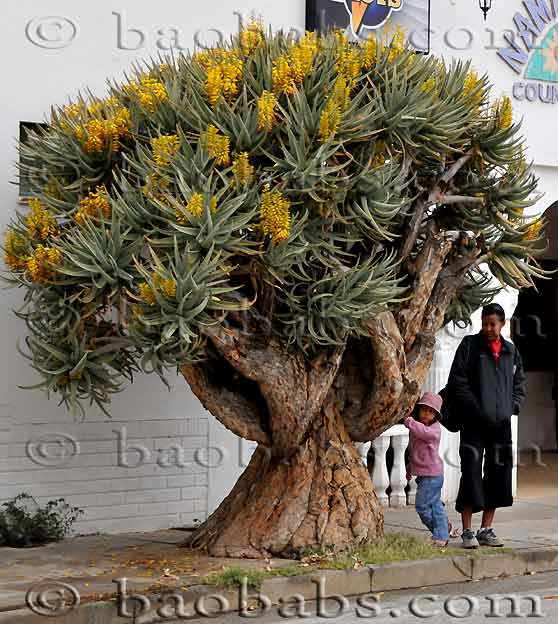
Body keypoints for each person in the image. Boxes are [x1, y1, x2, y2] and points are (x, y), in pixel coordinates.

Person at [447, 303, 526, 549]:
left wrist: (511, 407)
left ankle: (486, 529)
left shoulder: (511, 351)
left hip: (501, 424)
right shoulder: (470, 346)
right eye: (485, 323)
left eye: (493, 323)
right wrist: (476, 409)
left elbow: (519, 384)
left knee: (497, 474)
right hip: (473, 423)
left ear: (502, 324)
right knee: (470, 472)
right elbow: (458, 382)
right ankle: (468, 530)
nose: (488, 328)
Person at [404, 392, 450, 547]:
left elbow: (423, 433)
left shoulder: (434, 430)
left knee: (422, 506)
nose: (426, 414)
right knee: (434, 505)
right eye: (424, 410)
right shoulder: (418, 428)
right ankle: (443, 529)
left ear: (436, 415)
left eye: (431, 412)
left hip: (433, 475)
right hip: (425, 475)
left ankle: (441, 532)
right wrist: (410, 467)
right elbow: (415, 451)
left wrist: (408, 421)